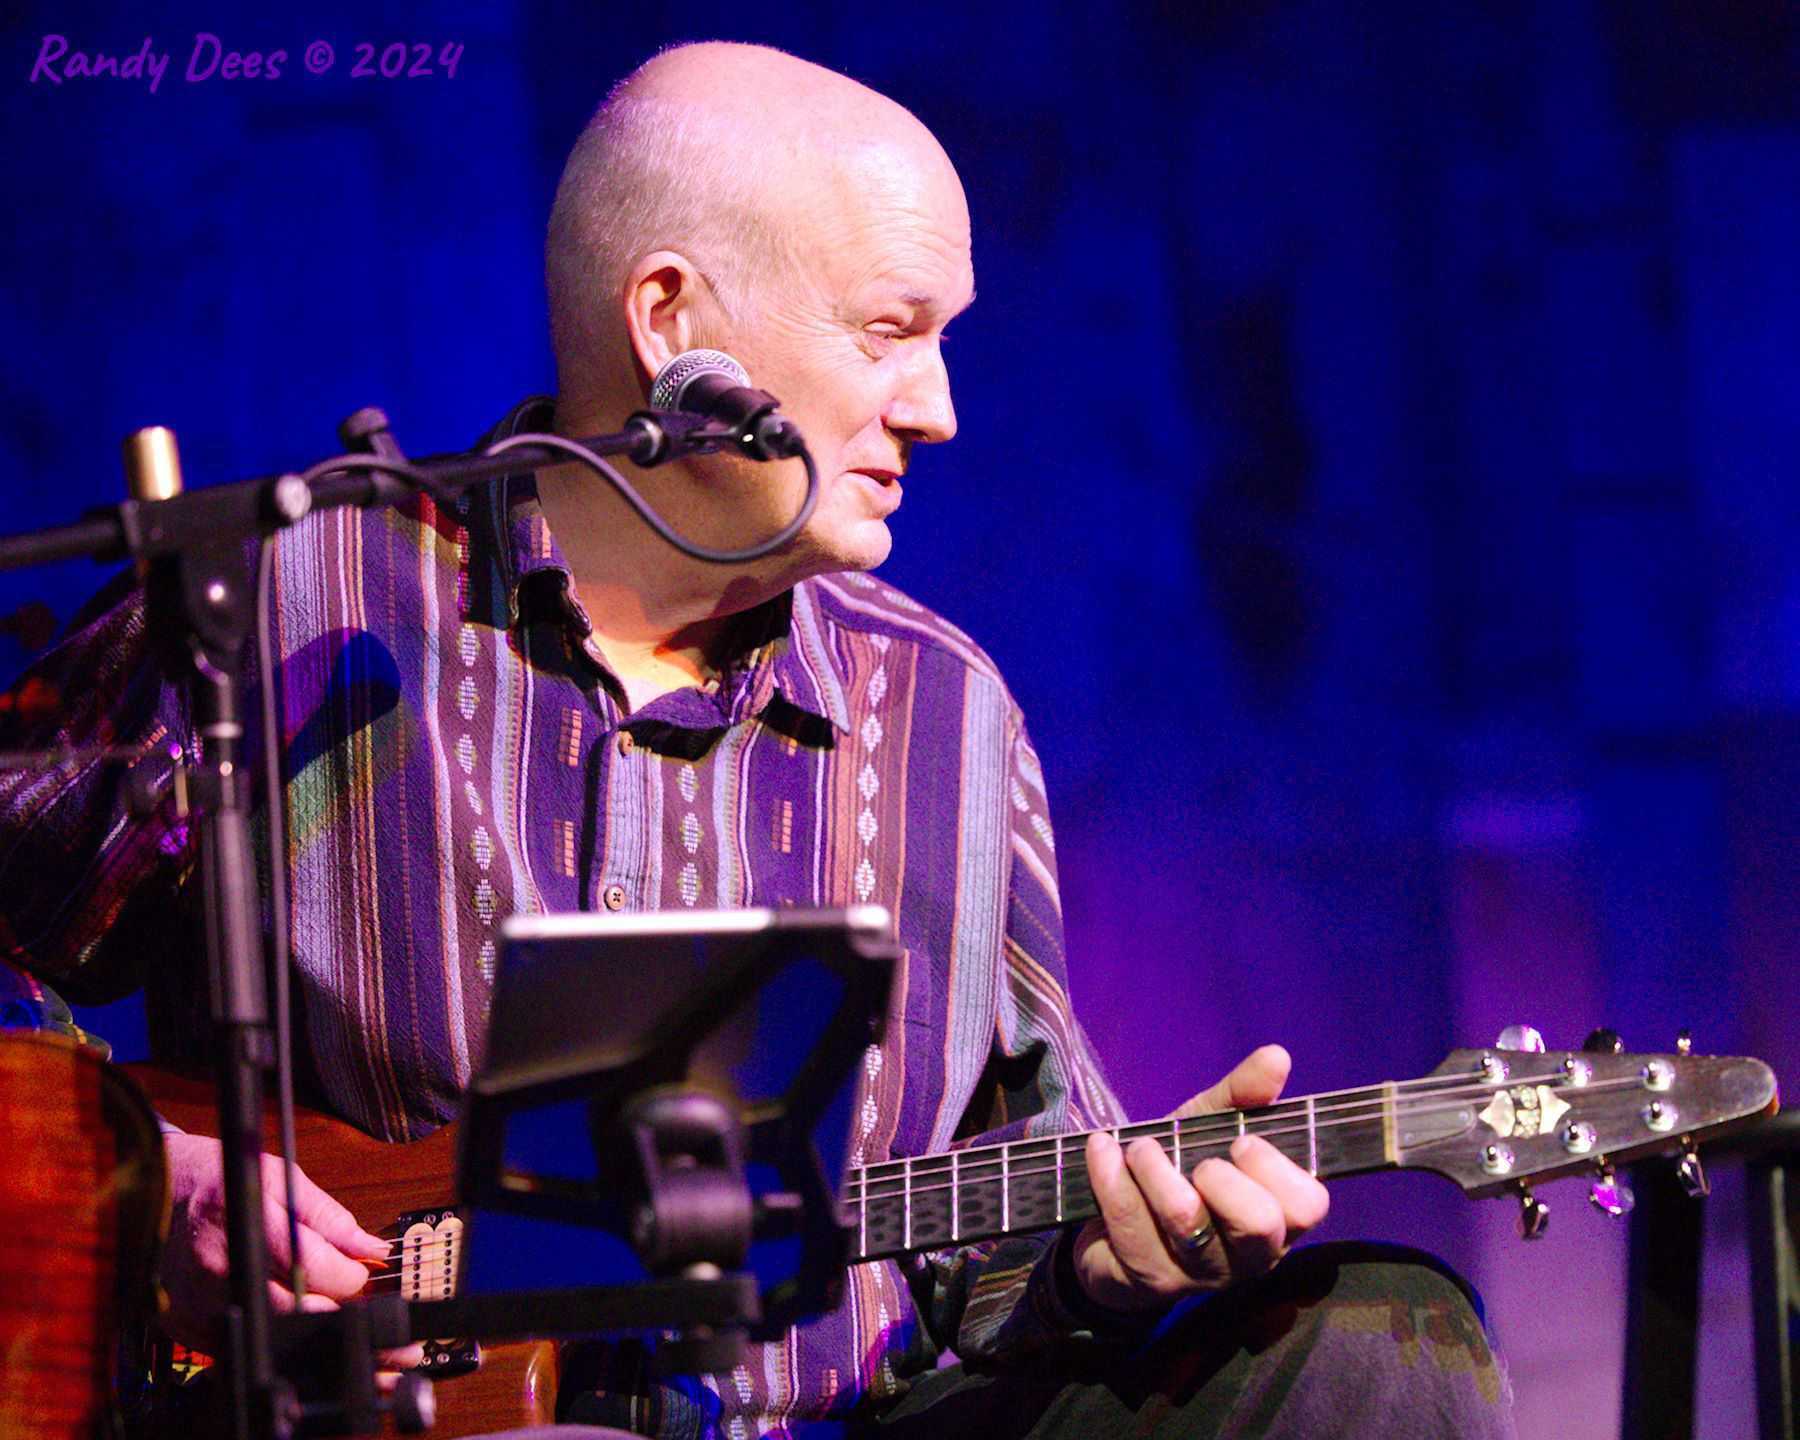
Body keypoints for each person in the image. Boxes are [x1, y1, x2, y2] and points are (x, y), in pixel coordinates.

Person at [0, 41, 1514, 1439]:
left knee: (1381, 1334)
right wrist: (159, 1188)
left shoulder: (947, 710)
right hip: (383, 1420)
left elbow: (1004, 1248)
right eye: (890, 333)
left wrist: (1116, 1262)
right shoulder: (300, 598)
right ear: (673, 325)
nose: (939, 411)